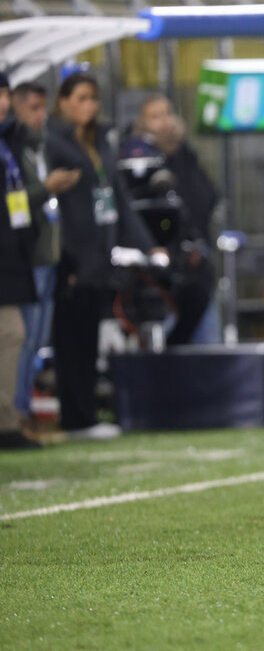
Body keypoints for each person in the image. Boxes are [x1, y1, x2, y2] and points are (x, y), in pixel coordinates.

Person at [46, 73, 159, 439]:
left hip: (99, 254)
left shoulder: (101, 142)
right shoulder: (53, 143)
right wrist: (69, 258)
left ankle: (87, 413)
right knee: (70, 339)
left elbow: (119, 200)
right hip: (73, 256)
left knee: (88, 337)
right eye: (81, 97)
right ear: (63, 102)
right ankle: (76, 416)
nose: (89, 105)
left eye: (93, 98)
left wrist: (148, 244)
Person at [120, 94, 220, 345]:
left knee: (207, 337)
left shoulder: (183, 154)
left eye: (167, 114)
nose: (164, 122)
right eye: (155, 117)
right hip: (163, 265)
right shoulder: (140, 160)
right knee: (175, 334)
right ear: (141, 124)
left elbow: (206, 196)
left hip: (197, 254)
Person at [12, 82, 80, 420]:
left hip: (48, 258)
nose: (41, 116)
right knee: (22, 340)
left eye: (43, 108)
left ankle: (22, 411)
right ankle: (17, 413)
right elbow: (16, 201)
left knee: (35, 340)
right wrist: (47, 188)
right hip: (29, 258)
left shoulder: (39, 147)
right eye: (34, 108)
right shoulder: (14, 149)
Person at [0, 72, 42, 449]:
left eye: (4, 95)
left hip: (11, 255)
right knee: (13, 333)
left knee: (14, 334)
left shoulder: (10, 142)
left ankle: (9, 422)